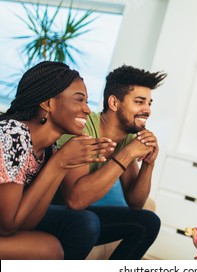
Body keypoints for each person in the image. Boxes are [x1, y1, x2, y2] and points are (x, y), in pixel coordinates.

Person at [0, 61, 116, 259]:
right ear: (48, 103)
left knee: (62, 238)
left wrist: (63, 164)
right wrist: (58, 162)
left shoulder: (47, 150)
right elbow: (7, 227)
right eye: (79, 100)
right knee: (49, 249)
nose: (87, 109)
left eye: (87, 101)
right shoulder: (14, 134)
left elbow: (28, 223)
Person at [56, 65, 167, 260]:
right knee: (87, 221)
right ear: (114, 103)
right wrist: (129, 153)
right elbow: (75, 201)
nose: (147, 110)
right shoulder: (83, 128)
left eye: (149, 103)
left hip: (80, 217)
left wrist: (149, 164)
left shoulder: (124, 138)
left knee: (148, 222)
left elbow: (136, 202)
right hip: (52, 213)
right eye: (139, 102)